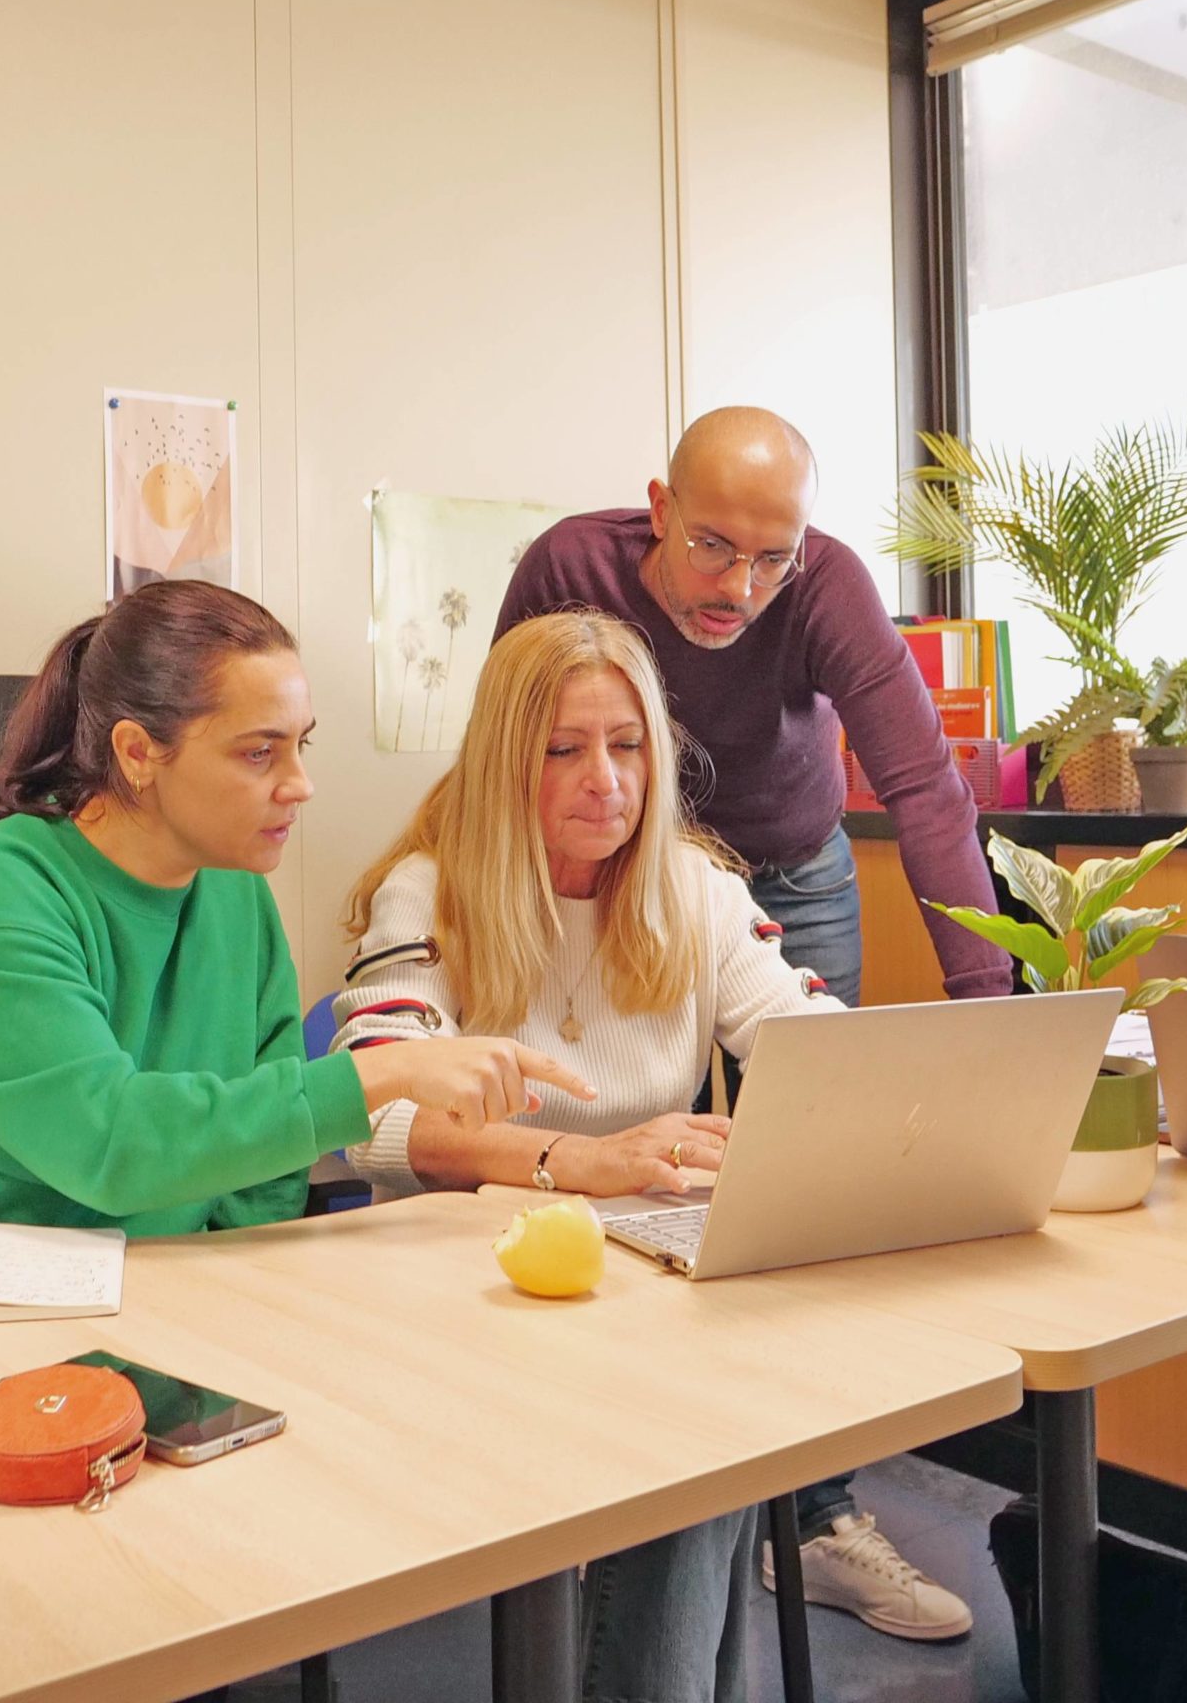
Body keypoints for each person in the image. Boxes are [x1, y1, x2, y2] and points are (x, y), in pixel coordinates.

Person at [493, 404, 1004, 1640]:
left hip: (782, 871)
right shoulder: (570, 565)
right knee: (616, 1160)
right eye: (714, 547)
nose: (742, 587)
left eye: (772, 556)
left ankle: (815, 1516)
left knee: (813, 1169)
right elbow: (511, 744)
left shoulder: (821, 585)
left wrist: (988, 1013)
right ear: (656, 509)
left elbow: (922, 783)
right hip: (630, 878)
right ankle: (596, 1486)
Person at [334, 609, 839, 1703]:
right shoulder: (429, 891)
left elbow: (817, 1049)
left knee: (725, 1412)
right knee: (709, 1432)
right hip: (476, 1295)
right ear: (503, 761)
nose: (604, 780)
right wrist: (580, 1162)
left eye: (628, 745)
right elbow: (375, 1122)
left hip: (650, 1276)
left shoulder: (694, 889)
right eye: (563, 749)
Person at [0, 579, 588, 1235]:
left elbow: (267, 1176)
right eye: (259, 753)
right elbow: (111, 1143)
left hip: (186, 1288)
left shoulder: (232, 881)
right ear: (138, 753)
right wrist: (389, 1069)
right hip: (23, 1313)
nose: (300, 785)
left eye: (299, 745)